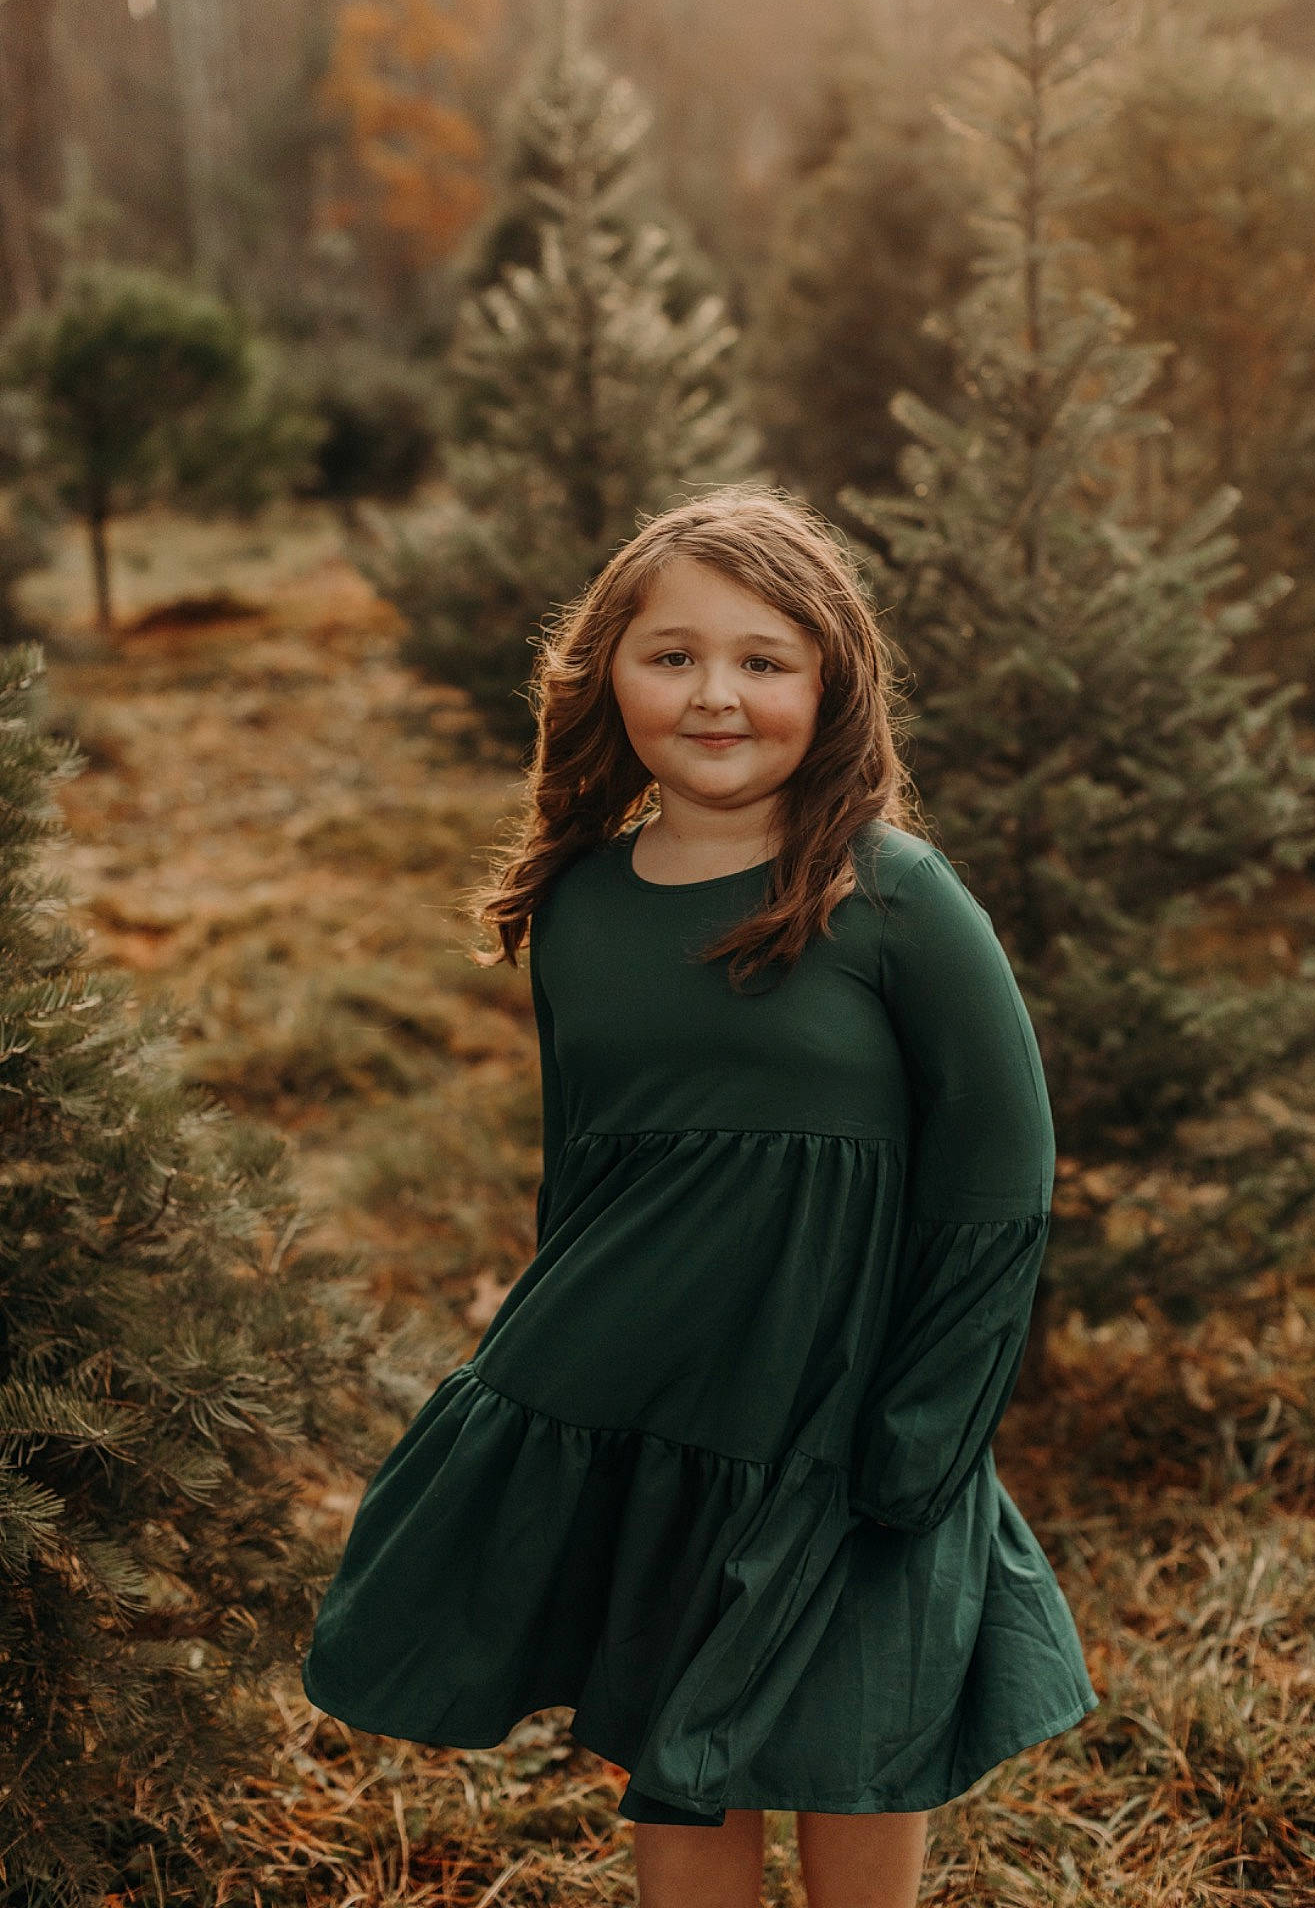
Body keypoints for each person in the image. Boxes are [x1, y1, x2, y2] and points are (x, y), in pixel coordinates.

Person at [301, 485, 1100, 1908]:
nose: (715, 695)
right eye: (671, 656)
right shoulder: (582, 907)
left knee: (857, 1744)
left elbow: (998, 1188)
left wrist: (918, 1436)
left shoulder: (892, 898)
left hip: (847, 1420)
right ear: (606, 672)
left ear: (829, 682)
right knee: (675, 1746)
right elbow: (587, 1172)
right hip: (652, 1418)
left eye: (762, 660)